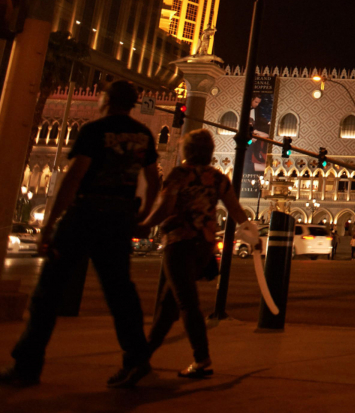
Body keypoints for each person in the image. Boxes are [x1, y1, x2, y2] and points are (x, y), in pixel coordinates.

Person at [1, 80, 160, 389]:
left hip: (86, 214)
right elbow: (153, 181)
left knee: (48, 291)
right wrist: (143, 218)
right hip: (119, 218)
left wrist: (50, 224)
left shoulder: (94, 131)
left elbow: (75, 175)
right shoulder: (144, 135)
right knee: (120, 292)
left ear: (108, 100)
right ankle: (137, 358)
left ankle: (28, 364)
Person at [138, 129, 250, 379]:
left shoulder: (179, 175)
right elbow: (235, 209)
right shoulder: (218, 178)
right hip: (205, 247)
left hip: (179, 243)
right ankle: (142, 356)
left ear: (186, 151)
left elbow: (165, 207)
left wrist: (145, 223)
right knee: (170, 304)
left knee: (186, 303)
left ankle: (202, 359)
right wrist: (249, 230)